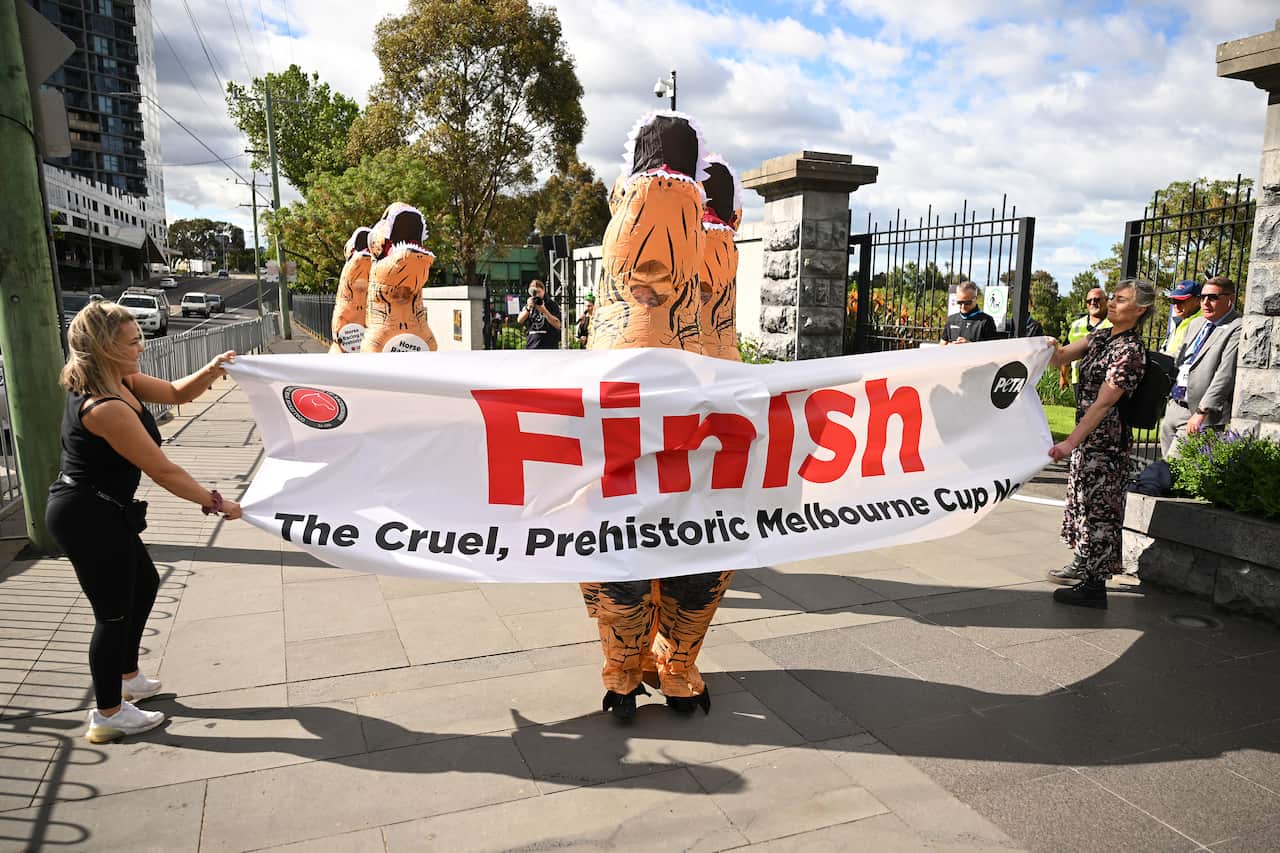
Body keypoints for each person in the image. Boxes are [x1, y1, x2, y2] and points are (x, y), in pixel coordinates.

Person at [46, 302, 242, 743]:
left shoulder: (121, 380)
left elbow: (175, 394)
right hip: (86, 515)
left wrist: (211, 369)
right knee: (111, 614)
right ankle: (108, 714)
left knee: (146, 584)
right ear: (104, 349)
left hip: (104, 509)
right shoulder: (103, 405)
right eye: (133, 341)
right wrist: (216, 502)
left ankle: (127, 676)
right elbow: (163, 471)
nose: (142, 346)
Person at [1046, 279, 1154, 606]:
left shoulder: (1130, 351)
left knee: (1101, 511)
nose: (1112, 304)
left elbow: (1104, 404)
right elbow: (1061, 357)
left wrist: (1068, 443)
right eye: (1113, 298)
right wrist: (1050, 346)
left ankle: (1095, 588)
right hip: (1088, 441)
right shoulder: (1101, 336)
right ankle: (1085, 564)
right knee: (1083, 503)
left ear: (1139, 310)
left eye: (1121, 301)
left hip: (1106, 443)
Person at [1160, 276, 1241, 457]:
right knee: (1167, 471)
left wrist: (1202, 411)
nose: (1205, 302)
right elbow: (1180, 361)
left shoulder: (1237, 327)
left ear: (1230, 299)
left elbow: (1225, 375)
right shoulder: (1196, 323)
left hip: (1198, 412)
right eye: (1203, 297)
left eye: (1212, 297)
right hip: (1174, 405)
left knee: (1174, 469)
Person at [1058, 287, 1111, 390]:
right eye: (1089, 301)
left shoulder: (1113, 323)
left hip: (1105, 381)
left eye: (1096, 299)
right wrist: (1063, 376)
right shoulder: (1076, 325)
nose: (1092, 303)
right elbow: (1066, 353)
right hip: (1079, 380)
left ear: (1106, 300)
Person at [1161, 279, 1202, 356]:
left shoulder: (1204, 324)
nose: (1176, 305)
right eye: (1174, 301)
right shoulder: (1179, 321)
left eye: (1181, 301)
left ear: (1197, 301)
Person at [518, 280, 562, 349]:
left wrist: (544, 311)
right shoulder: (529, 304)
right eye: (534, 292)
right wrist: (528, 308)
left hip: (549, 345)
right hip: (532, 345)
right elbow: (519, 320)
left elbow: (558, 324)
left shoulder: (551, 304)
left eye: (539, 292)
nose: (537, 295)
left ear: (543, 291)